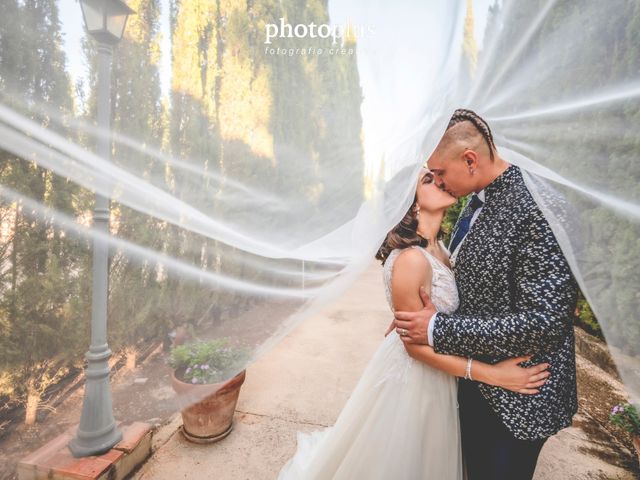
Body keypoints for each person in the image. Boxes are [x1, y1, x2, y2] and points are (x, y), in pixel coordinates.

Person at [278, 167, 551, 479]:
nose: (440, 180)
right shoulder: (411, 259)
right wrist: (494, 375)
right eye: (428, 179)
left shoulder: (441, 249)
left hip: (442, 372)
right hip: (418, 378)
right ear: (411, 203)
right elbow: (415, 349)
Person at [394, 109, 579, 480]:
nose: (441, 183)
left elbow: (546, 321)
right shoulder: (475, 200)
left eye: (441, 173)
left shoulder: (538, 206)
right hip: (478, 382)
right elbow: (473, 281)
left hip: (520, 395)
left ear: (470, 159)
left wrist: (437, 329)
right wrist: (410, 307)